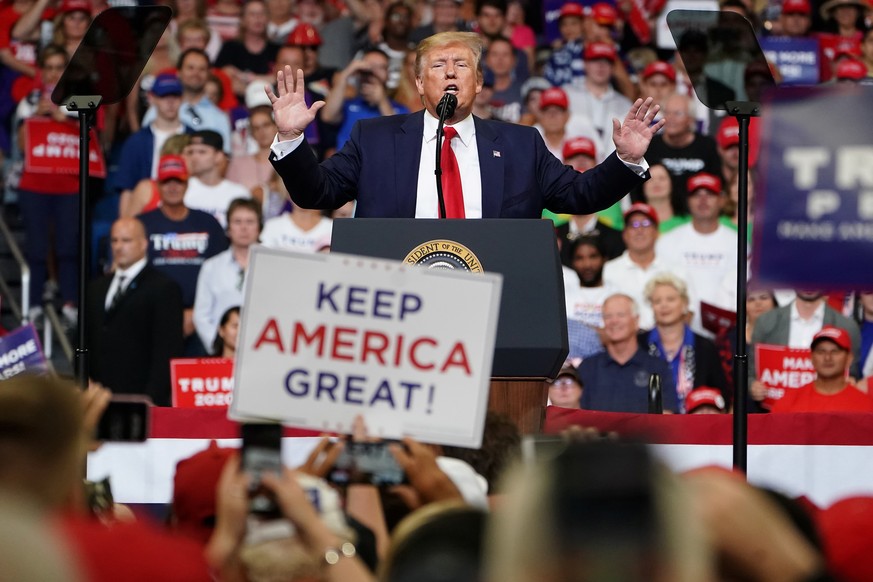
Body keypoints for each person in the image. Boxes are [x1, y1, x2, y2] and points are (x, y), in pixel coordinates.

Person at [267, 31, 664, 219]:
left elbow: (580, 196)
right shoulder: (374, 139)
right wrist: (290, 137)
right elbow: (316, 192)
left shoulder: (521, 144)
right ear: (420, 83)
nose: (451, 72)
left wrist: (625, 159)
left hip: (495, 308)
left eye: (462, 66)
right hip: (400, 310)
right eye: (439, 66)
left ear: (478, 82)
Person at [85, 218, 184, 405]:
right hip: (97, 397)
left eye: (126, 240)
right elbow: (82, 339)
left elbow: (168, 349)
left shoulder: (164, 287)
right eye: (114, 241)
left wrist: (152, 396)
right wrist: (84, 378)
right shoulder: (96, 288)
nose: (119, 247)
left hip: (140, 398)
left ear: (143, 244)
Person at [138, 154, 228, 355]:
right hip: (152, 316)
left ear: (187, 184)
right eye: (166, 182)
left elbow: (221, 271)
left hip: (203, 316)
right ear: (157, 186)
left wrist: (196, 313)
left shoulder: (208, 223)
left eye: (178, 181)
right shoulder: (141, 224)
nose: (172, 187)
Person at [656, 172, 737, 336]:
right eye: (696, 195)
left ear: (721, 200)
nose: (703, 200)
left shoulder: (737, 242)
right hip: (679, 332)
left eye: (710, 194)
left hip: (726, 333)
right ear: (688, 200)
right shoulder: (667, 241)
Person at [750, 290, 862, 402]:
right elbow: (750, 372)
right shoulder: (766, 322)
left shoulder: (847, 326)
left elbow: (852, 374)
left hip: (827, 412)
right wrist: (753, 386)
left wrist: (850, 382)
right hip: (776, 413)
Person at [639, 273, 729, 408]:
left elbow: (722, 396)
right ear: (652, 307)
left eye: (670, 299)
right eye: (657, 301)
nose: (664, 305)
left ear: (685, 304)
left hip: (695, 424)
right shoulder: (638, 344)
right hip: (648, 424)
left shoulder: (705, 347)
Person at [579, 293, 678, 413]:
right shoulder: (588, 367)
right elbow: (577, 415)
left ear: (636, 321)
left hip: (645, 432)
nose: (614, 321)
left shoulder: (657, 368)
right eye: (608, 316)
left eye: (621, 315)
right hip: (596, 432)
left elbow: (667, 415)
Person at [602, 202, 692, 331]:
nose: (639, 230)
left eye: (645, 224)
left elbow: (689, 312)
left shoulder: (676, 270)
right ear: (624, 234)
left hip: (666, 343)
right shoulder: (608, 271)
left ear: (656, 232)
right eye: (633, 225)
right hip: (626, 344)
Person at [116, 73, 194, 216]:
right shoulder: (136, 142)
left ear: (182, 98)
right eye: (164, 96)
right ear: (152, 98)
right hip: (149, 206)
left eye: (175, 96)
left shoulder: (194, 138)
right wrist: (124, 223)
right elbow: (127, 189)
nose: (170, 102)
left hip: (189, 201)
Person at [193, 198, 260, 350]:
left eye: (250, 222)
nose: (244, 228)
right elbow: (201, 316)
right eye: (237, 222)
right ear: (228, 228)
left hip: (263, 352)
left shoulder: (273, 265)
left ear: (259, 227)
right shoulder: (211, 267)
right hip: (222, 354)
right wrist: (218, 348)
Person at [320, 47, 409, 150]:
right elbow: (328, 116)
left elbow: (400, 137)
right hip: (348, 164)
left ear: (388, 74)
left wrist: (382, 102)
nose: (373, 72)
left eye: (380, 67)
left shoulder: (400, 109)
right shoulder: (348, 105)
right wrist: (346, 74)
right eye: (368, 66)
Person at [644, 93, 722, 208]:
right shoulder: (650, 145)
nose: (670, 118)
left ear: (690, 119)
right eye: (667, 112)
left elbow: (718, 183)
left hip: (698, 213)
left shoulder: (707, 146)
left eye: (677, 113)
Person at [770, 326, 873, 413]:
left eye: (835, 351)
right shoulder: (787, 403)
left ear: (849, 358)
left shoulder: (866, 407)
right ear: (811, 358)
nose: (827, 358)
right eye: (821, 351)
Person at [182, 129, 250, 227]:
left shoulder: (238, 193)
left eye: (202, 152)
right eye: (190, 152)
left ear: (218, 156)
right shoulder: (182, 190)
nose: (194, 157)